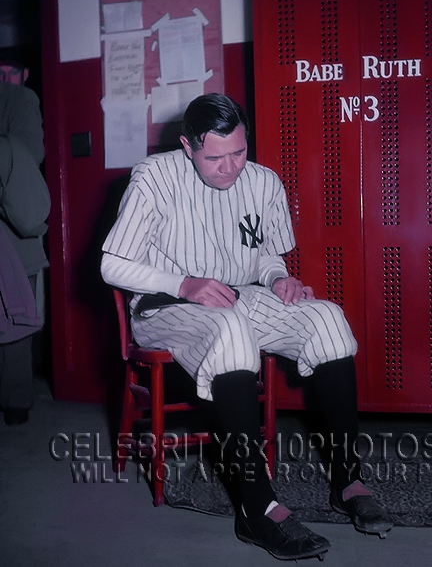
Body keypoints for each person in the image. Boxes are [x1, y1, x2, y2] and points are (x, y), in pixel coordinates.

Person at [101, 93, 392, 560]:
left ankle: (348, 481)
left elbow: (265, 255)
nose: (230, 167)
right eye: (215, 157)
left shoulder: (262, 181)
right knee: (232, 330)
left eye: (239, 151)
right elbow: (112, 264)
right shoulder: (154, 177)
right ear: (187, 145)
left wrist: (280, 279)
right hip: (165, 305)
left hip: (236, 295)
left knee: (327, 320)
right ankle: (257, 508)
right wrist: (184, 283)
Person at [0, 50, 50, 425]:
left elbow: (31, 155)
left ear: (25, 74)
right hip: (16, 227)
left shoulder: (24, 101)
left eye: (11, 73)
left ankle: (17, 403)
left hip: (16, 228)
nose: (5, 80)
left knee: (18, 318)